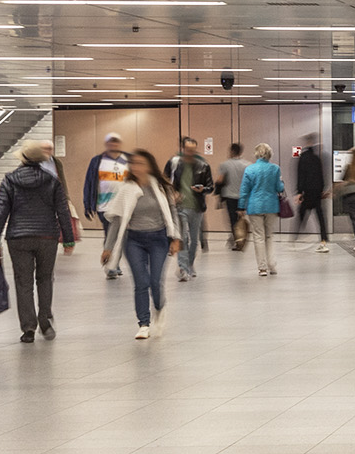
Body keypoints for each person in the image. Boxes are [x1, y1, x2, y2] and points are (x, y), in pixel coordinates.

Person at [0, 141, 77, 342]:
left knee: (23, 282)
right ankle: (45, 321)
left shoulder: (10, 180)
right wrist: (68, 239)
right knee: (45, 279)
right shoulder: (52, 180)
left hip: (18, 238)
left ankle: (28, 328)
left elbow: (0, 211)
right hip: (47, 237)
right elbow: (62, 210)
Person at [100, 150, 181, 339]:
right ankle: (143, 323)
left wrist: (175, 238)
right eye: (133, 163)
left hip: (159, 239)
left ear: (150, 166)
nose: (136, 167)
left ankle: (159, 308)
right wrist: (108, 247)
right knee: (141, 282)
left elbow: (172, 214)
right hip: (134, 241)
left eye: (141, 163)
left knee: (155, 281)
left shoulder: (161, 187)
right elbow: (117, 221)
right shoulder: (126, 189)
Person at [82, 132, 131, 278]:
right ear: (106, 144)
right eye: (111, 142)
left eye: (116, 142)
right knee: (110, 234)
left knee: (120, 235)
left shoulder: (128, 160)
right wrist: (87, 204)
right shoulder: (97, 161)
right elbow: (89, 182)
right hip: (104, 205)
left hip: (123, 205)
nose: (113, 145)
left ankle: (113, 264)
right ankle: (112, 265)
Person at [165, 137, 213, 282]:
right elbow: (167, 181)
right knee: (183, 238)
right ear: (183, 149)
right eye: (187, 150)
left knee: (194, 240)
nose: (190, 153)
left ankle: (190, 264)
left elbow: (211, 187)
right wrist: (174, 193)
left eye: (193, 150)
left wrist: (203, 189)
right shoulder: (175, 164)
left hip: (197, 208)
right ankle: (183, 268)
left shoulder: (203, 166)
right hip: (181, 207)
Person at [238, 143, 286, 276]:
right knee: (269, 236)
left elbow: (244, 190)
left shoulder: (250, 169)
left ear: (256, 154)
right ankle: (272, 265)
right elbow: (279, 188)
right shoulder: (275, 169)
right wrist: (281, 183)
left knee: (258, 237)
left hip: (255, 206)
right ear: (269, 154)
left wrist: (241, 206)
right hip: (271, 206)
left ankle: (262, 268)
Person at [294, 134, 329, 253]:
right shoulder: (317, 158)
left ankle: (294, 238)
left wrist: (299, 192)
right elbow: (321, 175)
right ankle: (323, 240)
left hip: (307, 192)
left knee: (301, 215)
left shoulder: (303, 158)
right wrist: (322, 189)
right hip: (317, 192)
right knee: (320, 217)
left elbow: (300, 176)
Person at [215, 142, 249, 251]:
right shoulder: (247, 165)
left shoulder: (224, 165)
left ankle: (237, 240)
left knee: (233, 219)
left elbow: (220, 180)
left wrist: (217, 194)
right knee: (241, 217)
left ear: (231, 151)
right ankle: (241, 236)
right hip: (243, 196)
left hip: (229, 196)